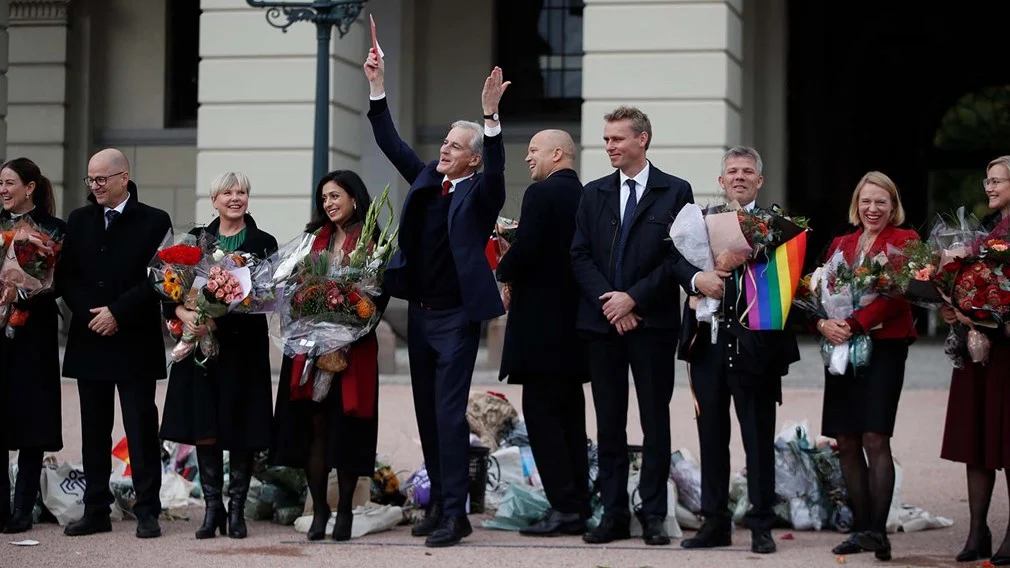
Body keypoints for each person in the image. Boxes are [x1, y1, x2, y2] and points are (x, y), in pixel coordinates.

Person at [363, 48, 508, 548]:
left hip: (456, 319)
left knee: (449, 415)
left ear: (473, 155)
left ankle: (457, 515)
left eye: (455, 145)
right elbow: (390, 142)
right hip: (420, 315)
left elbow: (497, 170)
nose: (444, 149)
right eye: (444, 142)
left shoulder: (482, 191)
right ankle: (440, 506)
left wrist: (490, 118)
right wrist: (377, 87)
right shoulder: (428, 177)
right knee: (427, 413)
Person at [570, 106, 696, 546]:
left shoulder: (676, 191)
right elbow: (579, 254)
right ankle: (613, 515)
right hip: (603, 325)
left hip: (653, 324)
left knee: (654, 421)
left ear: (642, 139)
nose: (609, 147)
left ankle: (655, 514)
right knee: (609, 423)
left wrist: (634, 299)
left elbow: (677, 259)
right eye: (606, 140)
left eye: (616, 139)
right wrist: (612, 303)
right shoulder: (594, 193)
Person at [678, 146, 801, 554]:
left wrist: (742, 257)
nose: (739, 177)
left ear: (759, 181)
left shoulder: (777, 226)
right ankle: (715, 522)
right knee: (711, 437)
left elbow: (786, 285)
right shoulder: (700, 220)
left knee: (758, 440)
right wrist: (699, 279)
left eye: (748, 171)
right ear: (721, 180)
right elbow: (675, 262)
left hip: (756, 348)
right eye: (732, 171)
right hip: (707, 346)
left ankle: (761, 524)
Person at [59, 148, 172, 538]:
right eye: (90, 180)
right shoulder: (78, 220)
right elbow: (66, 276)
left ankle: (148, 509)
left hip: (133, 337)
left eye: (101, 179)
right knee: (94, 428)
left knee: (140, 426)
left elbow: (158, 278)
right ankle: (96, 510)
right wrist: (91, 313)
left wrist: (117, 313)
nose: (95, 186)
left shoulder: (154, 220)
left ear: (124, 177)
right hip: (90, 336)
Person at [271, 169, 388, 542]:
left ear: (354, 198)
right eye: (324, 198)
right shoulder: (311, 240)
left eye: (335, 196)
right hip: (311, 348)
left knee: (347, 430)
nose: (329, 204)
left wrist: (349, 327)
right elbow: (292, 286)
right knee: (314, 430)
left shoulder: (373, 240)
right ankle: (320, 510)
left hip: (354, 350)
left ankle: (346, 514)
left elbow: (378, 296)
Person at [159, 172, 277, 539]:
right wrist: (185, 314)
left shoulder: (263, 242)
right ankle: (213, 510)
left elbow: (271, 294)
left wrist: (242, 298)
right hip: (202, 348)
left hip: (244, 350)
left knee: (240, 428)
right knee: (204, 426)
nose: (235, 197)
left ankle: (238, 511)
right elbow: (168, 290)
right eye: (227, 192)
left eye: (241, 191)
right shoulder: (196, 241)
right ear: (214, 200)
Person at [812, 171, 918, 561]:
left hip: (884, 348)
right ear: (857, 205)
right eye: (866, 201)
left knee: (875, 437)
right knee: (847, 440)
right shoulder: (841, 243)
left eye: (881, 202)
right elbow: (817, 291)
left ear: (893, 206)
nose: (873, 208)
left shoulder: (906, 242)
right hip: (840, 348)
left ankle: (878, 531)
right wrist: (823, 323)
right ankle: (859, 529)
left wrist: (855, 323)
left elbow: (897, 297)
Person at [495, 129, 589, 537]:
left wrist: (504, 265)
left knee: (544, 422)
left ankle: (564, 507)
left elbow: (529, 249)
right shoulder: (586, 194)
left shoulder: (541, 195)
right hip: (574, 329)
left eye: (533, 151)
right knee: (572, 421)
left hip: (539, 331)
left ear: (557, 153)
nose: (527, 158)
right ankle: (580, 503)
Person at [940, 155, 1010, 565]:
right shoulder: (984, 232)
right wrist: (954, 307)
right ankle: (976, 531)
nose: (989, 187)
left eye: (997, 180)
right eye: (987, 180)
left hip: (1005, 348)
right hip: (975, 348)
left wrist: (988, 314)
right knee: (976, 442)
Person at [0, 158, 66, 533]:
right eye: (0, 184)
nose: (3, 190)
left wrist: (23, 291)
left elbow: (58, 282)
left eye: (10, 183)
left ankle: (23, 508)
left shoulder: (54, 229)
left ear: (30, 188)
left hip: (33, 334)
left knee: (30, 419)